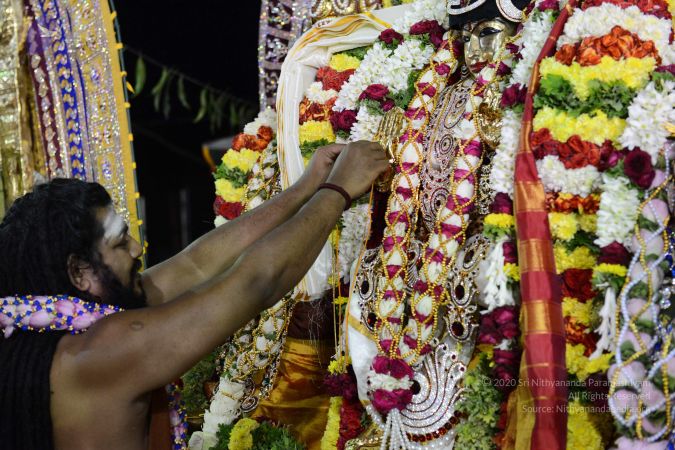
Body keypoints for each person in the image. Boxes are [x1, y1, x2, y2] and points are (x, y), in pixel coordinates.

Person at [0, 140, 389, 450]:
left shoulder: (62, 329)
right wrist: (337, 191)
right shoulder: (100, 351)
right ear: (79, 273)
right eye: (119, 243)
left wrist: (306, 187)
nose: (136, 249)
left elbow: (196, 265)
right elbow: (256, 283)